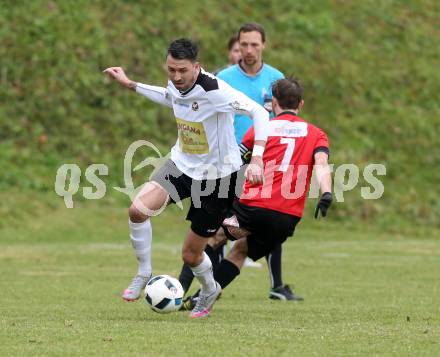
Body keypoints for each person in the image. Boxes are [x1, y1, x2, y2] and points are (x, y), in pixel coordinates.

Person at [103, 38, 269, 318]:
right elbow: (170, 97)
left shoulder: (215, 90)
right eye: (171, 70)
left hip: (217, 178)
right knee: (137, 210)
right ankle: (144, 272)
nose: (176, 77)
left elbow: (259, 111)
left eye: (182, 71)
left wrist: (257, 158)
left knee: (191, 256)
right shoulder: (175, 84)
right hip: (181, 164)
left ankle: (209, 289)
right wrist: (131, 84)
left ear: (196, 67)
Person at [213, 77, 333, 297]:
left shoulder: (262, 128)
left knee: (213, 237)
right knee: (240, 250)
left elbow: (236, 162)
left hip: (252, 208)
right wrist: (326, 194)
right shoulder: (317, 134)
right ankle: (201, 298)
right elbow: (322, 165)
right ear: (301, 104)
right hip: (286, 218)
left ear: (273, 103)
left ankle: (187, 288)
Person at [217, 23, 299, 301]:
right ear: (236, 46)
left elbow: (286, 123)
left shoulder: (276, 79)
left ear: (263, 45)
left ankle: (276, 285)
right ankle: (211, 281)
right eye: (244, 45)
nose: (248, 50)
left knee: (269, 223)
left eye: (254, 44)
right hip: (228, 162)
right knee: (218, 225)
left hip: (264, 166)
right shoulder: (223, 77)